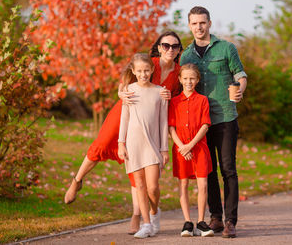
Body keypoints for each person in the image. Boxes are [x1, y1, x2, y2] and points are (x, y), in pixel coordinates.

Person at [64, 31, 183, 234]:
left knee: (139, 168)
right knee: (101, 145)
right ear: (159, 46)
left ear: (179, 49)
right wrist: (121, 93)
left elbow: (179, 98)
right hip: (126, 108)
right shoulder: (148, 62)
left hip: (149, 120)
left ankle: (138, 214)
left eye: (174, 46)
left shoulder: (178, 72)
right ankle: (77, 180)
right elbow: (125, 83)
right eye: (166, 45)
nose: (169, 50)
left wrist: (170, 97)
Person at [180, 6, 247, 238]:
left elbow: (240, 75)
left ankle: (230, 221)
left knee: (228, 169)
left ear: (209, 23)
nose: (199, 27)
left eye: (202, 22)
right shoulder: (186, 56)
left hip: (225, 117)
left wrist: (239, 91)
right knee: (206, 171)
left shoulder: (226, 48)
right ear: (189, 26)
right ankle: (215, 217)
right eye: (194, 23)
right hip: (199, 123)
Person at [117, 53, 169, 239]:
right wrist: (120, 143)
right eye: (139, 71)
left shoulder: (160, 92)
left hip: (153, 144)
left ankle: (155, 212)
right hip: (133, 143)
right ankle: (146, 224)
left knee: (153, 187)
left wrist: (164, 148)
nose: (143, 74)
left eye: (146, 70)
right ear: (133, 71)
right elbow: (124, 118)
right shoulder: (128, 90)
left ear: (152, 70)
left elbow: (163, 122)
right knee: (139, 185)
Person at [168, 63, 214, 237]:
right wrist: (182, 146)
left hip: (199, 148)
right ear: (180, 79)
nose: (189, 81)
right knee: (183, 184)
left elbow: (205, 125)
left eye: (192, 78)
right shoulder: (174, 102)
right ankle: (187, 223)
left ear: (197, 80)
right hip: (180, 150)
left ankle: (201, 222)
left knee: (203, 184)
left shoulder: (202, 100)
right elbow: (171, 127)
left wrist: (190, 145)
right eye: (185, 78)